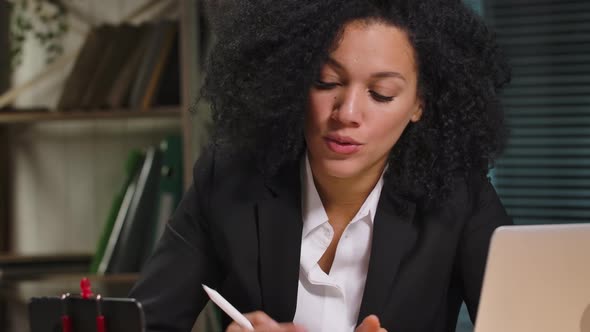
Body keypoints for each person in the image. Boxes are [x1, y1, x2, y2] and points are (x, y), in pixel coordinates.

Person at [129, 0, 512, 331]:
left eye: (381, 94)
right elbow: (143, 323)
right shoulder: (228, 180)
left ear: (419, 105)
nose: (346, 114)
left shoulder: (462, 199)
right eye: (327, 82)